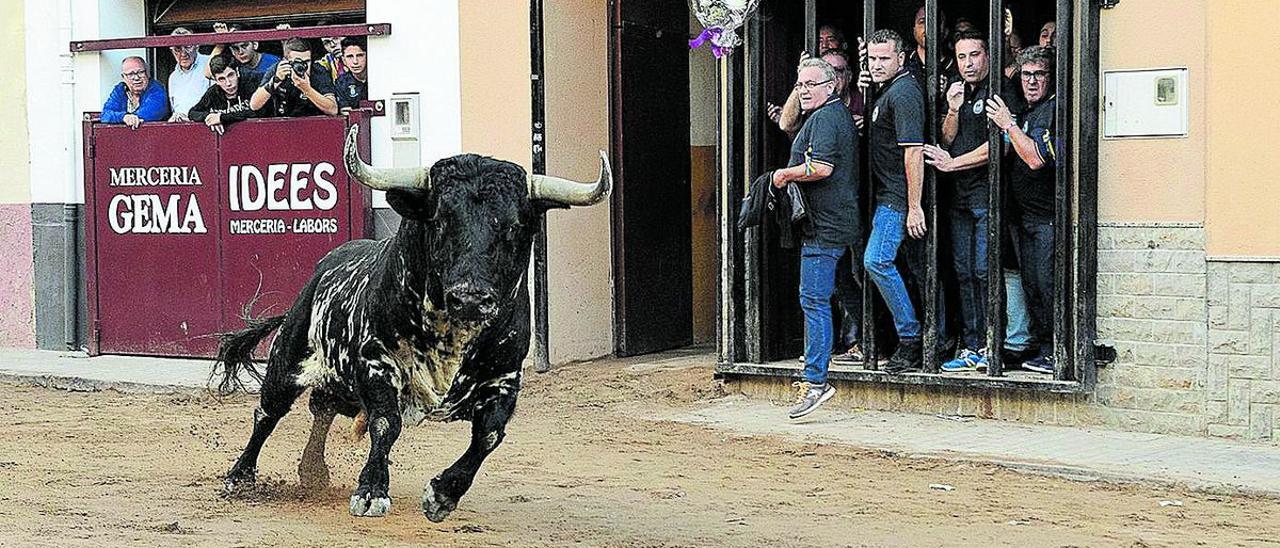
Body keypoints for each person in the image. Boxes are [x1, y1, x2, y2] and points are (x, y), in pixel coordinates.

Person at [922, 30, 1023, 373]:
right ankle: (972, 345)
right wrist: (951, 109)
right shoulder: (958, 90)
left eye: (974, 55)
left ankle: (993, 344)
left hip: (987, 197)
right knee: (963, 273)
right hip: (959, 199)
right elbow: (947, 138)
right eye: (962, 56)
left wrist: (952, 164)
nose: (968, 63)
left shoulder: (1001, 89)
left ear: (988, 56)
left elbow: (1002, 145)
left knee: (984, 271)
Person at [771, 57, 860, 419]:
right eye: (800, 85)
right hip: (835, 223)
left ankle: (815, 381)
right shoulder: (827, 113)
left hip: (824, 227)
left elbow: (822, 167)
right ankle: (881, 342)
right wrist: (801, 83)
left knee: (813, 299)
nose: (804, 90)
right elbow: (786, 121)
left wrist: (782, 175)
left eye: (811, 84)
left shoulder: (825, 119)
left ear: (832, 86)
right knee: (845, 289)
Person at [986, 45, 1058, 375]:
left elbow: (1034, 158)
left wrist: (1007, 124)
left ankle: (1055, 352)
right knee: (1031, 286)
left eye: (1039, 74)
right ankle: (1041, 349)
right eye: (1026, 74)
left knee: (1046, 286)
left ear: (1051, 77)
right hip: (1023, 217)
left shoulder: (1050, 110)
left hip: (1045, 219)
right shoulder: (1029, 111)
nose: (1031, 81)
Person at [863, 29, 927, 374]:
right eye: (872, 58)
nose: (877, 65)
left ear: (901, 58)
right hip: (887, 196)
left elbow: (913, 150)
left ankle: (911, 339)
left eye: (884, 58)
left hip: (897, 198)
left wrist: (914, 205)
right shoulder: (888, 90)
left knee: (876, 261)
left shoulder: (903, 92)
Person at [250, 37, 339, 117]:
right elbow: (254, 105)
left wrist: (307, 89)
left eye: (307, 61)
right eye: (298, 62)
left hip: (314, 123)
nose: (303, 66)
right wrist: (276, 80)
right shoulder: (278, 70)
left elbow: (333, 109)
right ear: (286, 61)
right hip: (285, 124)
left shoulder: (318, 71)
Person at [189, 55, 259, 135]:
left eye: (231, 75)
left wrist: (221, 118)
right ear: (216, 81)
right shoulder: (213, 92)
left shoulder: (251, 84)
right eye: (221, 79)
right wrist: (210, 117)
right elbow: (193, 113)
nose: (228, 83)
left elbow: (259, 111)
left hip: (254, 134)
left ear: (237, 72)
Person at [101, 56, 169, 128]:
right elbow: (105, 115)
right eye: (130, 74)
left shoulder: (156, 89)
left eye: (140, 72)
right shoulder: (119, 90)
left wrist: (129, 118)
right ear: (123, 77)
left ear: (147, 73)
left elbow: (150, 114)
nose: (136, 78)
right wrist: (124, 117)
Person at [206, 23, 281, 83]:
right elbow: (208, 73)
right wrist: (221, 43)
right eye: (235, 48)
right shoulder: (233, 65)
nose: (240, 52)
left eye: (244, 46)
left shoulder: (273, 61)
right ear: (231, 50)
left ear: (255, 44)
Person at [166, 27, 212, 122]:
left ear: (197, 46)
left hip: (206, 125)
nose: (183, 54)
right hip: (182, 129)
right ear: (171, 51)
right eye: (177, 49)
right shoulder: (173, 77)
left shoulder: (209, 64)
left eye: (187, 47)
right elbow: (174, 108)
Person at [335, 36, 367, 112]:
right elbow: (346, 112)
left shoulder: (379, 76)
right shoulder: (341, 83)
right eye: (350, 56)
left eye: (360, 55)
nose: (355, 61)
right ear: (343, 60)